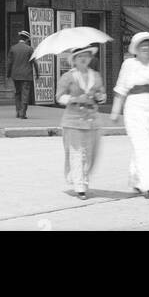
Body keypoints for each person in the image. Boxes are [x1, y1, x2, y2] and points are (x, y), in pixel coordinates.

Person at [109, 31, 149, 200]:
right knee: (143, 144)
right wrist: (115, 111)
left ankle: (136, 179)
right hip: (135, 107)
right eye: (142, 44)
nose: (145, 47)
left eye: (148, 44)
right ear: (136, 48)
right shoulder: (129, 64)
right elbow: (121, 89)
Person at [57, 46, 107, 198]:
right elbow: (59, 97)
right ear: (74, 60)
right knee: (77, 152)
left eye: (86, 56)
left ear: (90, 59)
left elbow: (103, 95)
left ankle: (84, 179)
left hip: (92, 119)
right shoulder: (68, 77)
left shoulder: (96, 76)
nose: (84, 59)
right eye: (80, 57)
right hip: (73, 119)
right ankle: (80, 186)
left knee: (90, 153)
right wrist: (75, 99)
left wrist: (98, 96)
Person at [6, 30, 35, 119]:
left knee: (18, 93)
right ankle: (23, 113)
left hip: (16, 75)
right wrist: (37, 73)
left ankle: (18, 111)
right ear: (27, 39)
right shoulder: (30, 49)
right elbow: (34, 62)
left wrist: (8, 74)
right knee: (25, 94)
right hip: (26, 75)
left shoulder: (13, 48)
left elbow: (9, 63)